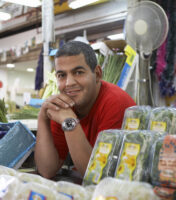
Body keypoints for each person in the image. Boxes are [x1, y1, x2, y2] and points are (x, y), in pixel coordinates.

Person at [35, 41, 136, 179]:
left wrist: (70, 122)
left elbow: (96, 175)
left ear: (98, 74)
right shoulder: (63, 106)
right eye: (61, 75)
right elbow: (47, 170)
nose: (69, 83)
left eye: (78, 72)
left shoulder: (116, 103)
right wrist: (43, 118)